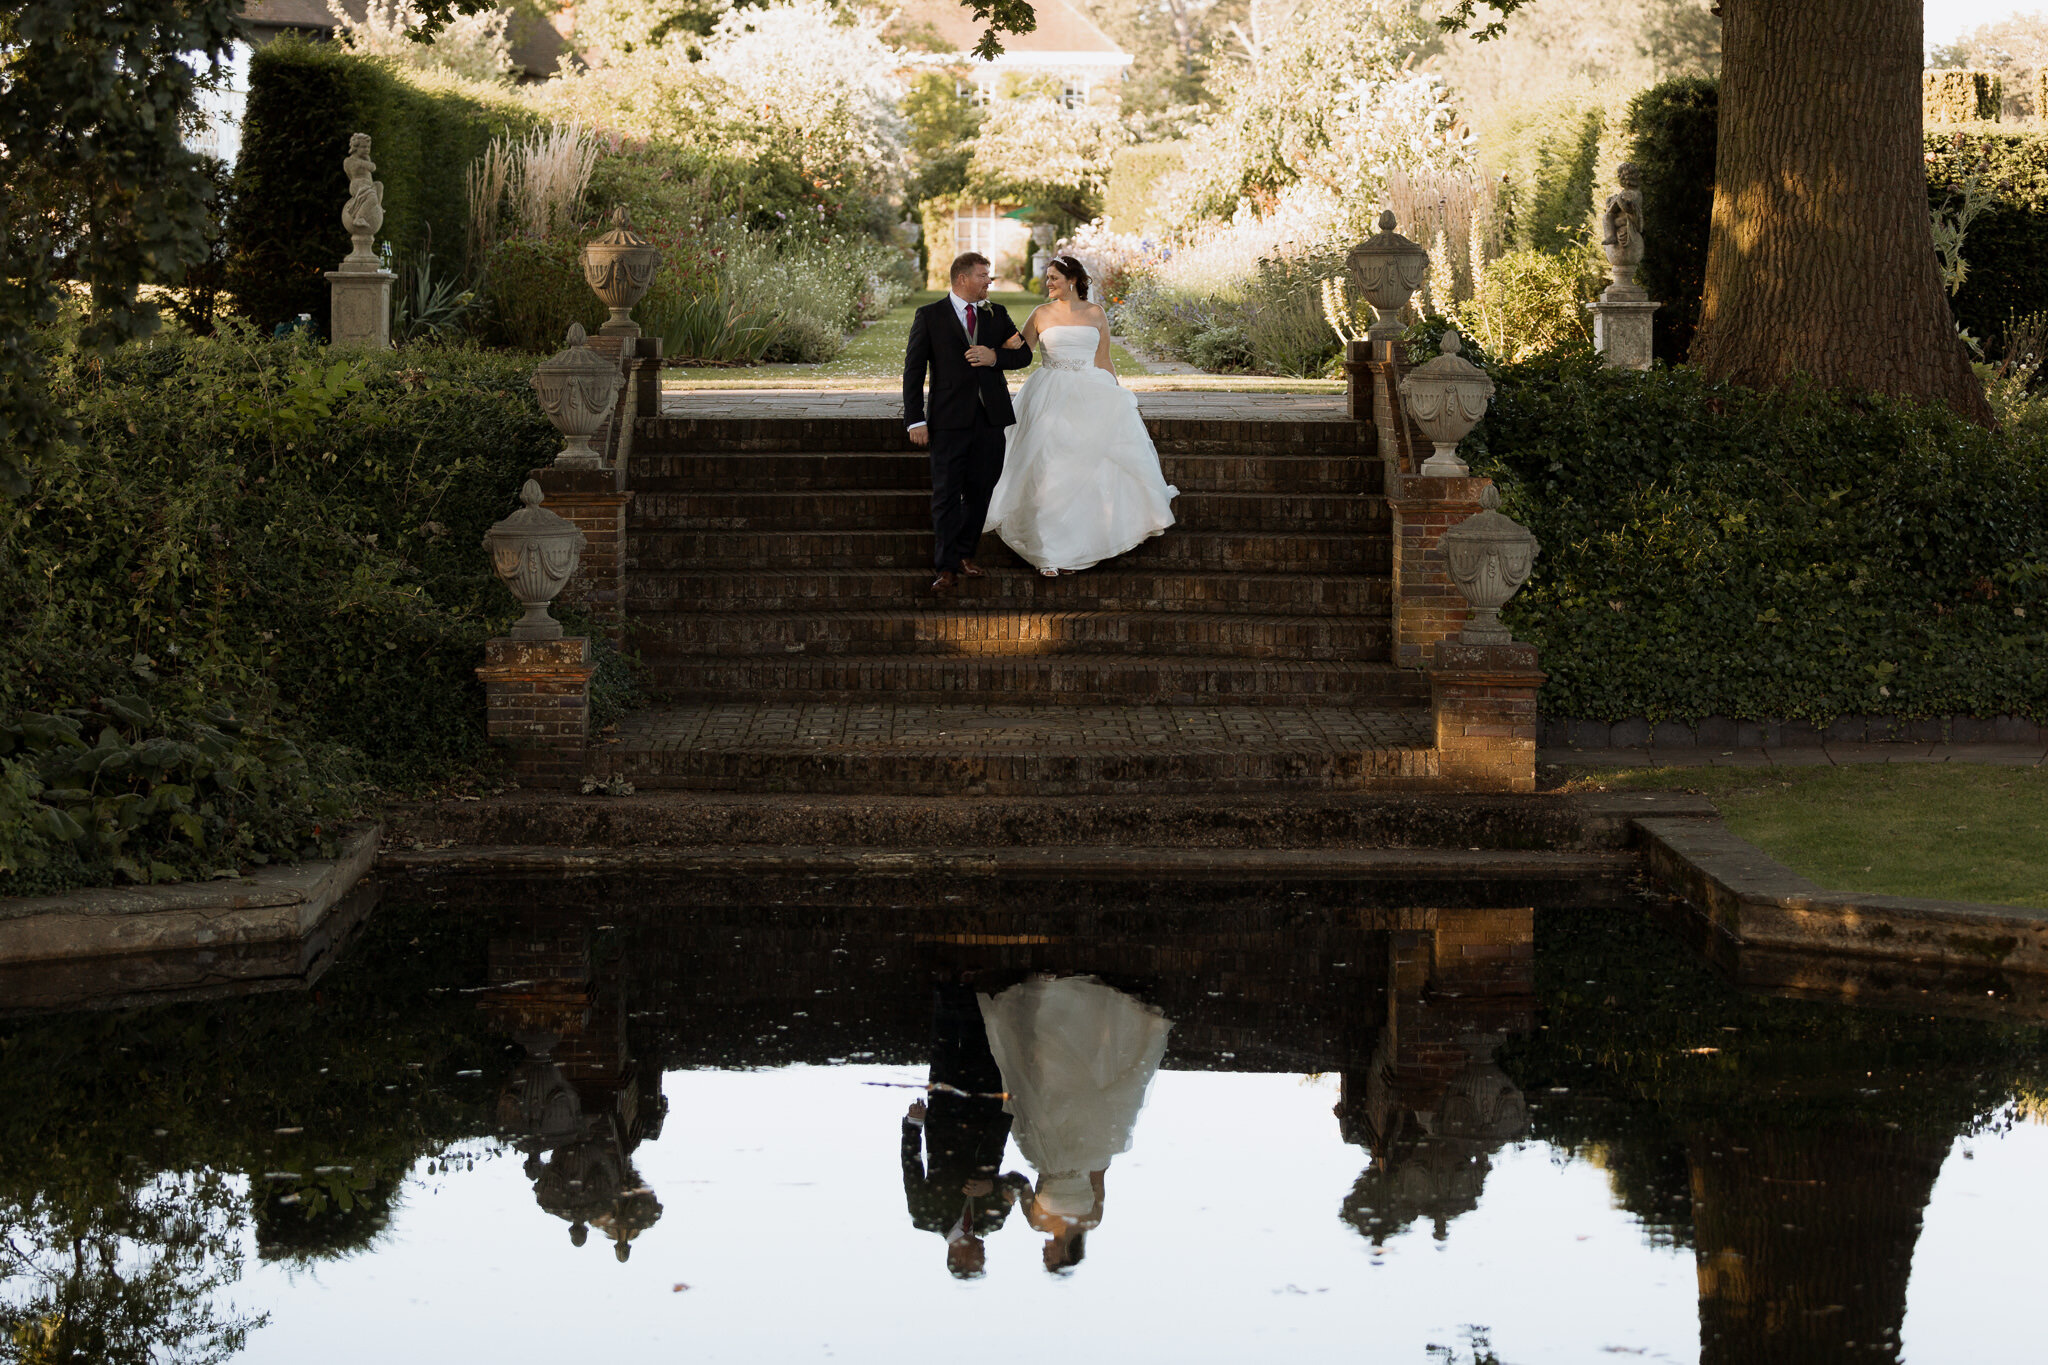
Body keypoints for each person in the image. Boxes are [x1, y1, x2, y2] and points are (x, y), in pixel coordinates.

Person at [983, 255, 1178, 576]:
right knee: (1049, 467)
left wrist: (1118, 396)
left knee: (1088, 469)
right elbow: (1020, 353)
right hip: (1050, 394)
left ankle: (1079, 546)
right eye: (1047, 278)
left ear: (1072, 280)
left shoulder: (1095, 313)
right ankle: (1049, 552)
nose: (1048, 283)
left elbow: (1104, 359)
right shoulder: (1040, 314)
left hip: (1092, 393)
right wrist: (992, 348)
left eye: (1053, 278)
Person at [977, 974, 1172, 1273]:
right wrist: (1105, 1135)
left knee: (1041, 1075)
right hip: (1085, 1144)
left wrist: (998, 1192)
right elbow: (1098, 1179)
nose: (1044, 1256)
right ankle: (1094, 1013)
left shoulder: (1036, 1222)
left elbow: (1021, 1183)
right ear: (1065, 1256)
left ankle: (1040, 1001)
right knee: (1085, 1079)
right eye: (1050, 1260)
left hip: (1046, 1148)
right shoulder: (1092, 1220)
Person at [902, 253, 1035, 592]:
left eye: (989, 276)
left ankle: (965, 554)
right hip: (947, 421)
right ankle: (945, 567)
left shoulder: (997, 314)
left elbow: (1023, 355)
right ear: (961, 278)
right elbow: (914, 372)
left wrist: (995, 357)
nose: (989, 282)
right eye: (983, 276)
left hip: (991, 420)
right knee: (946, 495)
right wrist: (915, 419)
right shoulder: (929, 316)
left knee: (980, 492)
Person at [901, 982, 1031, 1278]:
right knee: (983, 1049)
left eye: (978, 1260)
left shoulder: (925, 1217)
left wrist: (914, 1125)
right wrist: (993, 1187)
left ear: (957, 1257)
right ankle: (972, 986)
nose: (983, 1254)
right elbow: (1017, 1181)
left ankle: (945, 984)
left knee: (944, 1048)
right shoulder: (992, 1222)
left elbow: (911, 1168)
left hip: (944, 1119)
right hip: (987, 1117)